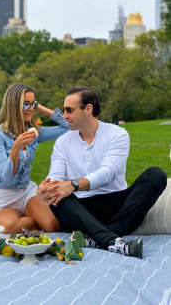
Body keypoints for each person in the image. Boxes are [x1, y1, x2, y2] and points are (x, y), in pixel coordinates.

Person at [37, 86, 167, 259]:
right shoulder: (62, 142)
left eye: (69, 110)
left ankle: (100, 238)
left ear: (88, 109)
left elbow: (108, 172)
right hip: (79, 211)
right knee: (57, 196)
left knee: (156, 175)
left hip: (115, 204)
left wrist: (74, 184)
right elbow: (56, 177)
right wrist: (47, 187)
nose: (64, 116)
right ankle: (113, 241)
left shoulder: (117, 134)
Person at [0, 83, 69, 234]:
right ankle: (29, 221)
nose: (31, 108)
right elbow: (7, 180)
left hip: (26, 192)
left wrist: (39, 107)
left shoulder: (33, 132)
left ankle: (25, 220)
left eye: (33, 103)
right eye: (26, 104)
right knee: (6, 229)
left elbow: (68, 127)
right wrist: (16, 149)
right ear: (14, 106)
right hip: (2, 198)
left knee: (52, 226)